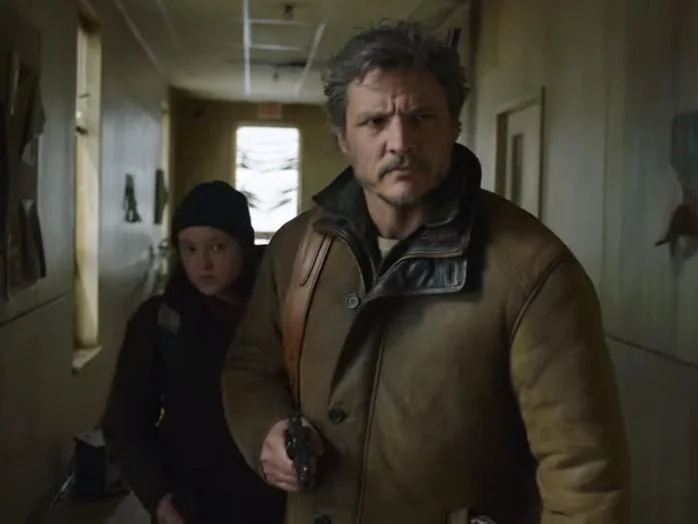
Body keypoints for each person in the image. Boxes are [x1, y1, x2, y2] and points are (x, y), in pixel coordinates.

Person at [221, 20, 630, 524]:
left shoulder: (532, 271)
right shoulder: (299, 248)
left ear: (453, 126)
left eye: (421, 117)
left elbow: (585, 479)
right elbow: (250, 367)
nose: (400, 142)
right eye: (375, 122)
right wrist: (267, 428)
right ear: (343, 138)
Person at [102, 181, 285, 524]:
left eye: (218, 247)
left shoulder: (277, 314)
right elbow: (126, 420)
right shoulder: (160, 320)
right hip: (188, 502)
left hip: (270, 498)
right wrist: (159, 498)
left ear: (243, 246)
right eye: (189, 249)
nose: (203, 263)